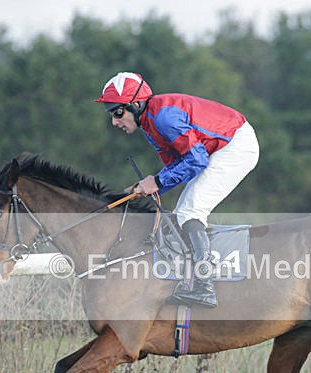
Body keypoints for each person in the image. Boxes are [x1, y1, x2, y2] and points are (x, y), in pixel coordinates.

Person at [95, 72, 260, 308]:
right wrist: (149, 188)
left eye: (118, 112)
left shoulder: (163, 118)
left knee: (190, 212)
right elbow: (177, 166)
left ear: (136, 104)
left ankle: (205, 288)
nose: (114, 121)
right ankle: (193, 279)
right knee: (183, 211)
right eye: (111, 113)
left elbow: (196, 160)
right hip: (220, 147)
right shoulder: (150, 124)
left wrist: (157, 183)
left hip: (235, 146)